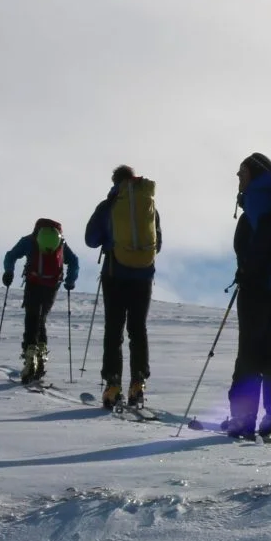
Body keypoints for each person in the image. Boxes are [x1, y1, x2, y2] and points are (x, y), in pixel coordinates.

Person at [227, 152, 271, 438]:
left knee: (249, 352)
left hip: (257, 287)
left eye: (242, 172)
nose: (238, 178)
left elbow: (262, 241)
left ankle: (243, 418)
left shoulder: (258, 198)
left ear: (254, 174)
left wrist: (248, 270)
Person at [84, 165, 161, 410]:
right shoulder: (149, 205)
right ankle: (137, 383)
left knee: (114, 329)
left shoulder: (109, 206)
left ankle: (113, 384)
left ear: (115, 181)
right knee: (138, 329)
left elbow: (90, 239)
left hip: (114, 274)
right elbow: (157, 243)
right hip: (144, 277)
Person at [1, 218, 79, 385]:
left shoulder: (30, 240)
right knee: (41, 318)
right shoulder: (61, 243)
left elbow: (11, 255)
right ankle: (41, 354)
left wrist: (8, 271)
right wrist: (71, 280)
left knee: (32, 317)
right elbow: (74, 261)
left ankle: (30, 357)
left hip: (34, 283)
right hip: (52, 285)